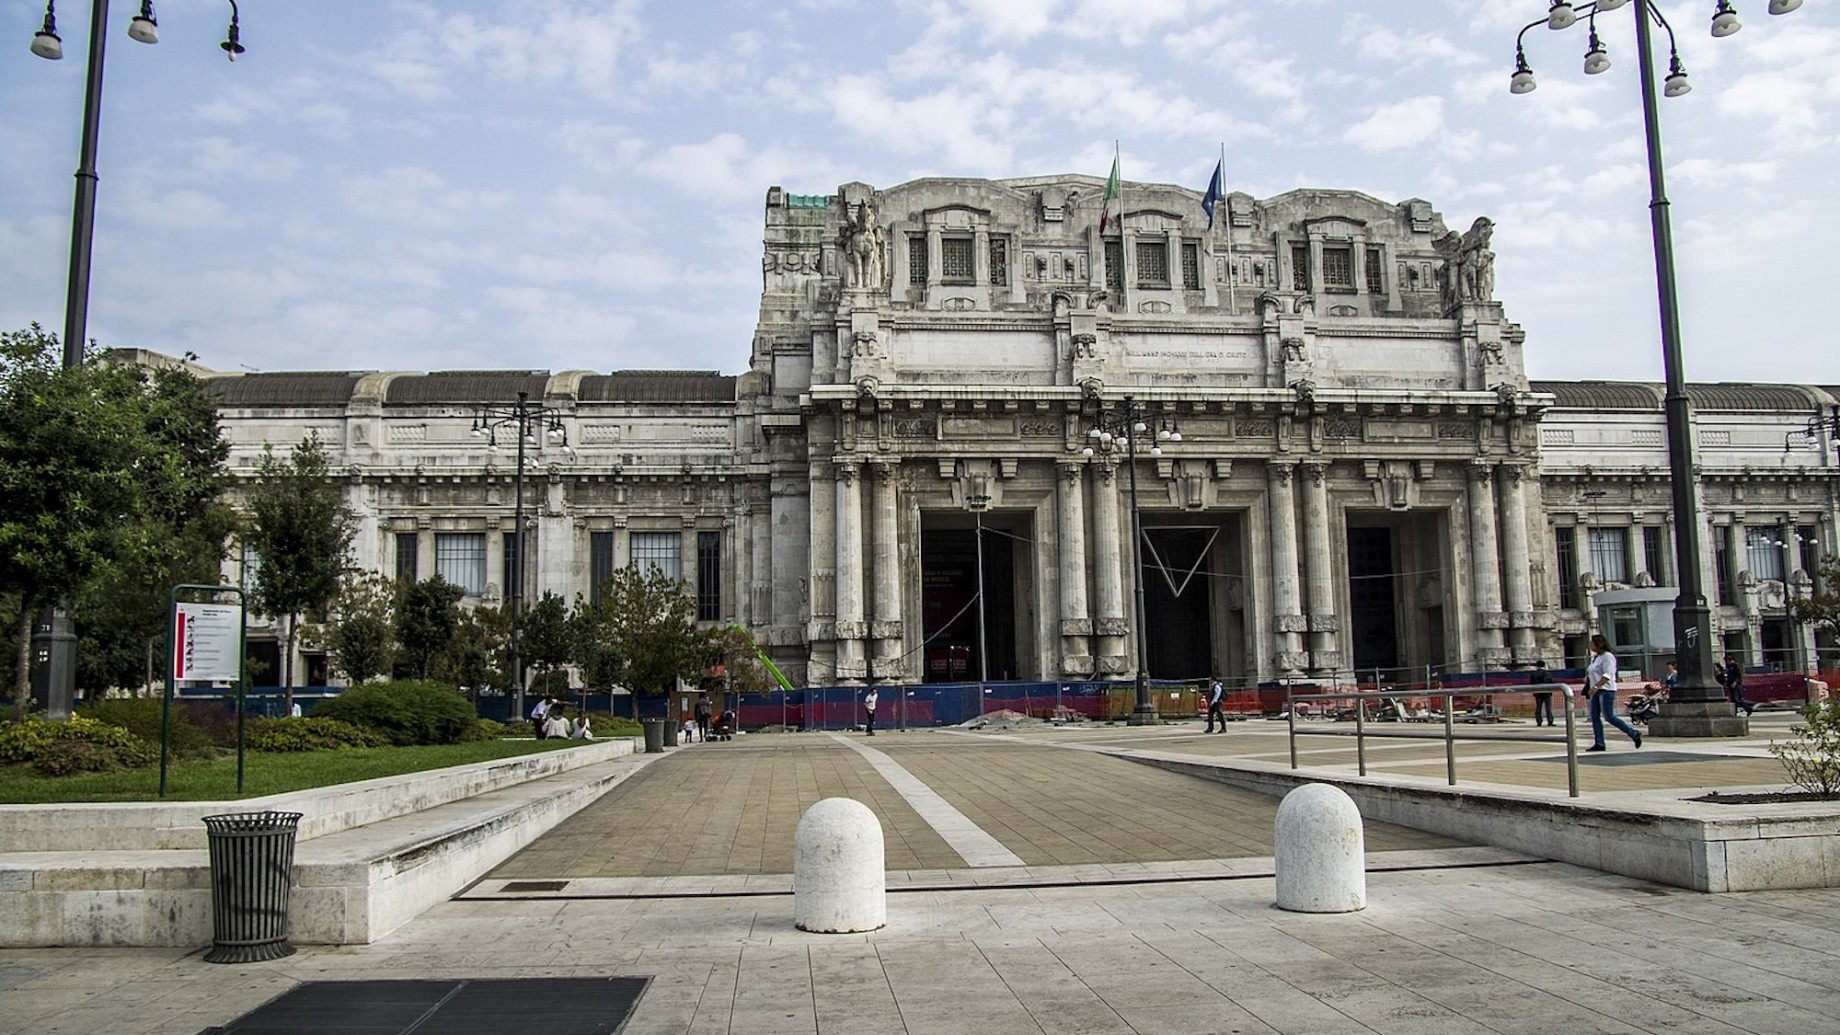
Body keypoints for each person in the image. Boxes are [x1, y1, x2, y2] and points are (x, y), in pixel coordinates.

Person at [1585, 634, 1641, 752]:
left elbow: (1608, 675)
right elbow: (1593, 671)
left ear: (1598, 644)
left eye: (1592, 642)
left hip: (1605, 690)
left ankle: (1633, 733)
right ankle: (1599, 742)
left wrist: (1596, 686)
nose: (1590, 645)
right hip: (1595, 690)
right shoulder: (1595, 657)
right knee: (1594, 717)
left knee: (1609, 716)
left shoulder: (1607, 657)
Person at [1529, 662, 1555, 727]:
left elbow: (1531, 684)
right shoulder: (1547, 674)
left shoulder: (1533, 674)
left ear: (1537, 666)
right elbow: (1551, 682)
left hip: (1538, 692)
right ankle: (1550, 721)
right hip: (1547, 692)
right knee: (1548, 708)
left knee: (1538, 708)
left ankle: (1539, 721)